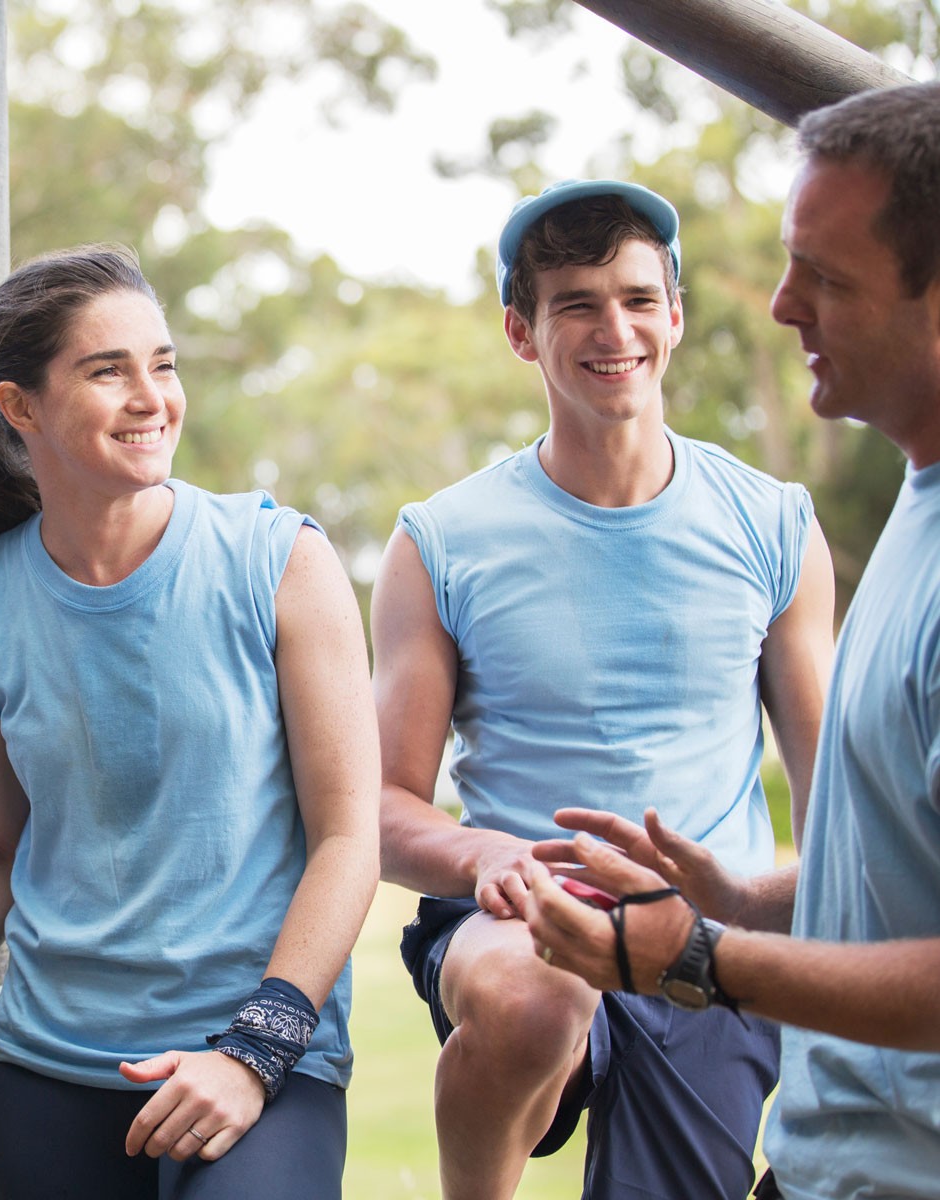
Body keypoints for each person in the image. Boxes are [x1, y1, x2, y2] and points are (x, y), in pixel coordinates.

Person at [0, 245, 379, 1199]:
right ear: (19, 406)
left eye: (162, 364)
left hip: (256, 1060)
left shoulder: (279, 562)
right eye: (107, 370)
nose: (151, 396)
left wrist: (256, 1052)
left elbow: (348, 839)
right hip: (51, 1071)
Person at [371, 179, 836, 1200]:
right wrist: (482, 852)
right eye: (575, 303)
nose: (611, 327)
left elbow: (832, 799)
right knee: (537, 1001)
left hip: (706, 938)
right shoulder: (438, 542)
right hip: (515, 917)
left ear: (674, 315)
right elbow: (382, 811)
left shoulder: (774, 527)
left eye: (635, 298)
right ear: (521, 333)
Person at [520, 81, 940, 1200]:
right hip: (816, 1168)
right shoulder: (916, 500)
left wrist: (701, 959)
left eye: (827, 277)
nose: (782, 306)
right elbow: (904, 866)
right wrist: (743, 897)